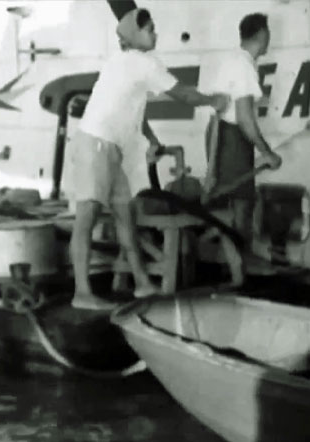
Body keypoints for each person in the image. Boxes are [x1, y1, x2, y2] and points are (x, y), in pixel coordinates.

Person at [66, 8, 229, 309]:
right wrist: (214, 100)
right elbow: (185, 96)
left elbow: (131, 112)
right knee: (86, 218)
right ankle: (82, 293)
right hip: (96, 145)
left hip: (108, 146)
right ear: (135, 35)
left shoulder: (119, 63)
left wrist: (153, 141)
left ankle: (141, 282)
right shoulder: (144, 63)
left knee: (125, 214)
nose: (156, 34)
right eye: (150, 29)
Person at [201, 13, 280, 287]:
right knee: (242, 205)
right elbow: (245, 118)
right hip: (231, 136)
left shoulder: (233, 61)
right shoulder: (244, 66)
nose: (269, 38)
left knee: (240, 204)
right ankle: (239, 274)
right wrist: (267, 152)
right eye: (268, 32)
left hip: (221, 133)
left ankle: (238, 266)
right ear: (261, 35)